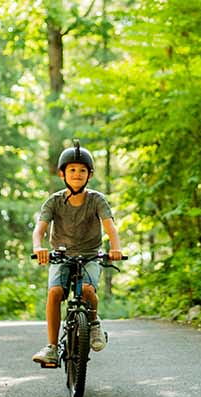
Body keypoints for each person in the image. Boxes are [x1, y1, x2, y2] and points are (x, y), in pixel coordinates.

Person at [31, 142, 124, 367]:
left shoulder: (96, 200)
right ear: (62, 174)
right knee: (54, 292)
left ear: (89, 175)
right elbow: (39, 230)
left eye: (82, 170)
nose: (77, 174)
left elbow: (110, 227)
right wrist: (38, 248)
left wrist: (116, 248)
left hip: (90, 254)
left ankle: (93, 323)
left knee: (86, 289)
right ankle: (52, 347)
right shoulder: (53, 201)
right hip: (61, 255)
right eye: (72, 170)